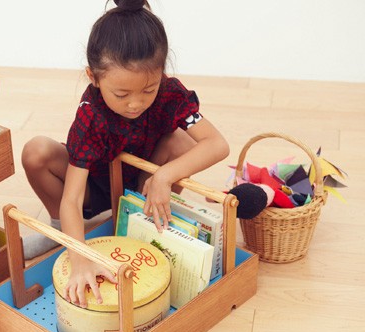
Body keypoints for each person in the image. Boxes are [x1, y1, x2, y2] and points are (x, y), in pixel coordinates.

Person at [21, 0, 229, 308]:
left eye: (149, 90)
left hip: (142, 185)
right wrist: (80, 258)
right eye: (121, 94)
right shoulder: (91, 114)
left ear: (161, 74)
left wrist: (164, 176)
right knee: (35, 151)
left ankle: (143, 219)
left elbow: (217, 144)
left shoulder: (170, 93)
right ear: (93, 77)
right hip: (94, 187)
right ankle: (61, 230)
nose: (135, 104)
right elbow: (72, 199)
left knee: (183, 143)